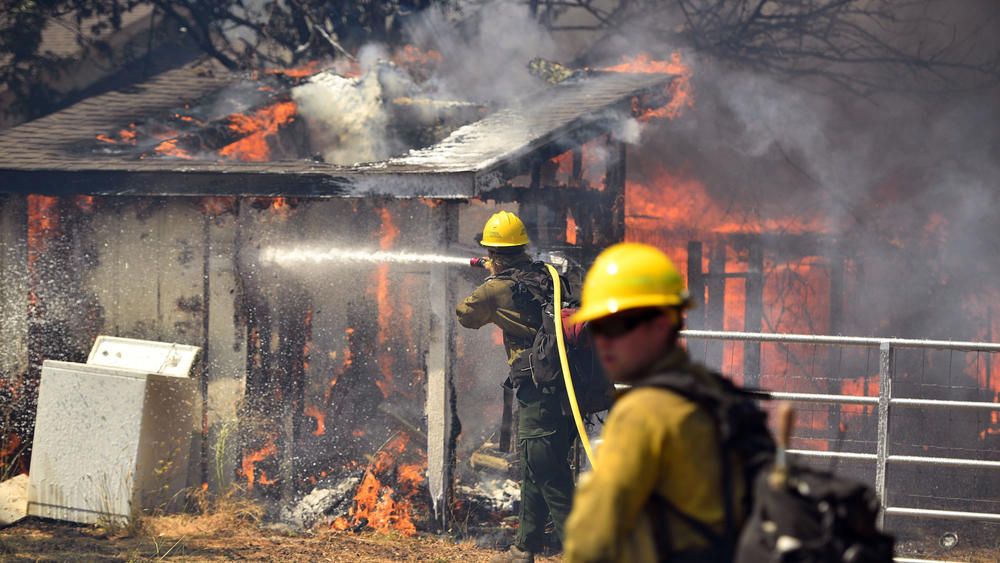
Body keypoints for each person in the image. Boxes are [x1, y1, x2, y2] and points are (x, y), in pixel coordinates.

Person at [563, 242, 751, 563]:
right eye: (598, 327)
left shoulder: (643, 413)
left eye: (616, 325)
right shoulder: (710, 391)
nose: (603, 340)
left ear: (661, 325)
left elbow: (591, 539)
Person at [456, 210, 575, 563]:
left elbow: (467, 316)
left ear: (492, 254)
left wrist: (486, 285)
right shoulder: (544, 274)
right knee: (533, 464)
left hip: (540, 389)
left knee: (547, 469)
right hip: (565, 383)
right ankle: (525, 548)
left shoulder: (495, 288)